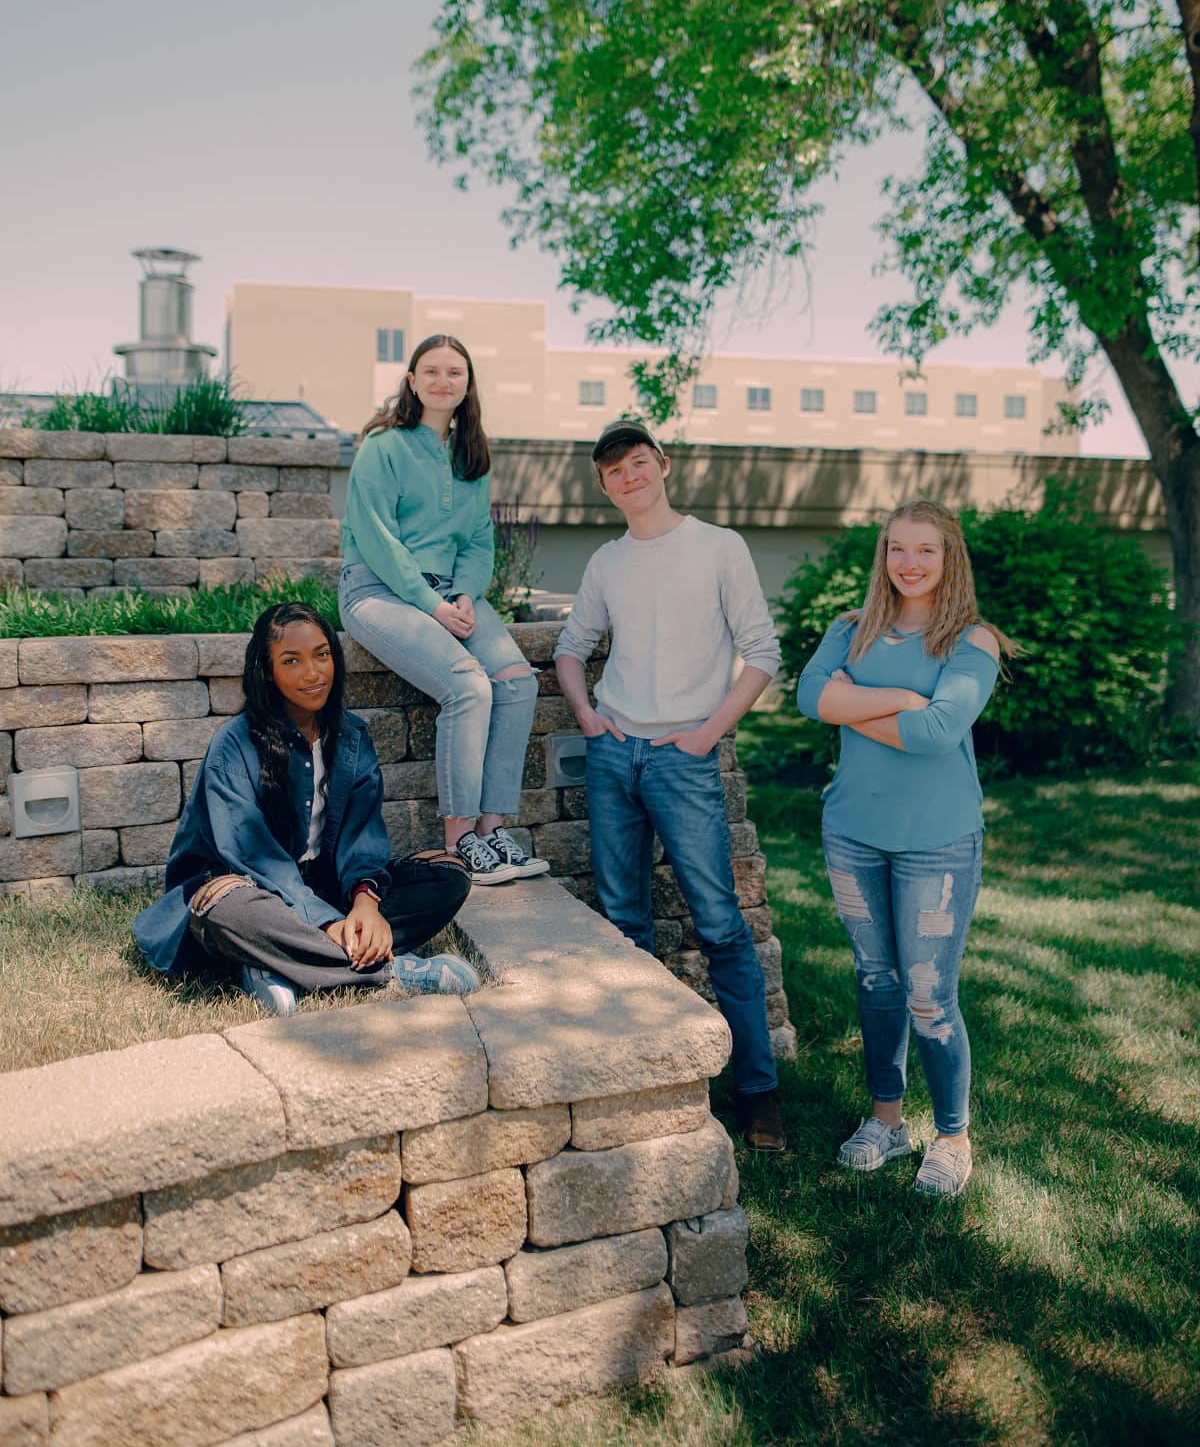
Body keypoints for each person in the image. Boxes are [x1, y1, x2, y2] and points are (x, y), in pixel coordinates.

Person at [555, 420, 786, 1152]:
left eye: (639, 463)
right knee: (623, 928)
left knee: (720, 925)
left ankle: (758, 1094)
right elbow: (571, 649)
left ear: (663, 466)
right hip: (615, 754)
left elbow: (762, 653)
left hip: (685, 756)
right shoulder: (607, 561)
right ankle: (648, 1082)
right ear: (603, 486)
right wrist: (588, 716)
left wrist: (706, 733)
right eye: (614, 471)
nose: (629, 477)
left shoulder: (720, 547)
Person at [796, 497, 1012, 1197]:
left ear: (950, 560)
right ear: (883, 555)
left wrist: (856, 702)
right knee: (875, 981)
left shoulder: (973, 641)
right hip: (852, 832)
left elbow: (937, 734)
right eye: (898, 548)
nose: (909, 563)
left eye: (926, 550)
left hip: (936, 843)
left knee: (927, 996)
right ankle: (887, 1121)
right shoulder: (851, 628)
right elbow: (808, 698)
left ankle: (952, 1136)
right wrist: (905, 701)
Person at [132, 601, 479, 1015]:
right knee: (228, 910)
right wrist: (327, 922)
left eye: (322, 655)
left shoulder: (352, 736)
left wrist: (366, 905)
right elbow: (249, 854)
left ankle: (272, 962)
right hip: (249, 888)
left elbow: (362, 835)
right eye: (291, 661)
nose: (312, 674)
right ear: (268, 671)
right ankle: (393, 971)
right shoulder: (233, 743)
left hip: (326, 885)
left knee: (448, 874)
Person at [337, 334, 548, 885]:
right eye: (430, 371)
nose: (442, 381)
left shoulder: (471, 457)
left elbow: (479, 542)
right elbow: (378, 539)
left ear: (468, 384)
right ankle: (459, 846)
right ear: (411, 381)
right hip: (378, 591)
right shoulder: (382, 447)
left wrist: (463, 595)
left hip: (452, 595)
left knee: (516, 681)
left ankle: (492, 831)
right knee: (469, 686)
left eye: (455, 372)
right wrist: (431, 603)